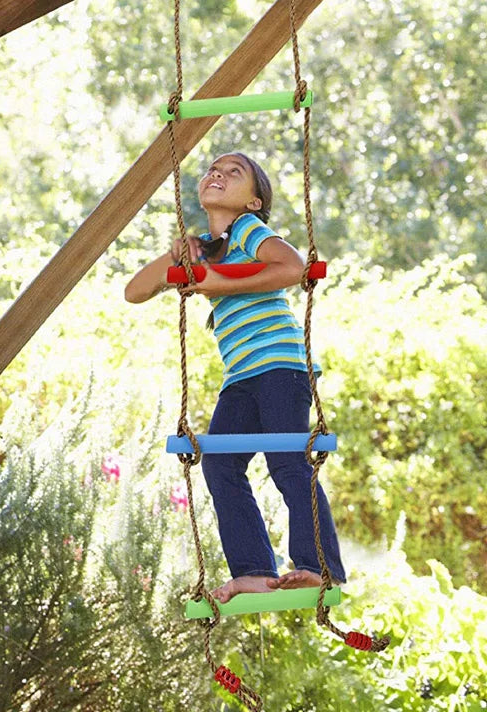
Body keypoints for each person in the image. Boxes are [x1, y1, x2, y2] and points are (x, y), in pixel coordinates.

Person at [124, 151, 346, 602]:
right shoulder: (206, 247)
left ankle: (318, 566)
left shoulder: (248, 230)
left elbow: (292, 268)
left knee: (287, 460)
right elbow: (135, 291)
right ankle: (253, 570)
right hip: (242, 374)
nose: (217, 174)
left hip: (280, 366)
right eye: (213, 169)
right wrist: (178, 255)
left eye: (234, 172)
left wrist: (214, 283)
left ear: (253, 202)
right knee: (222, 464)